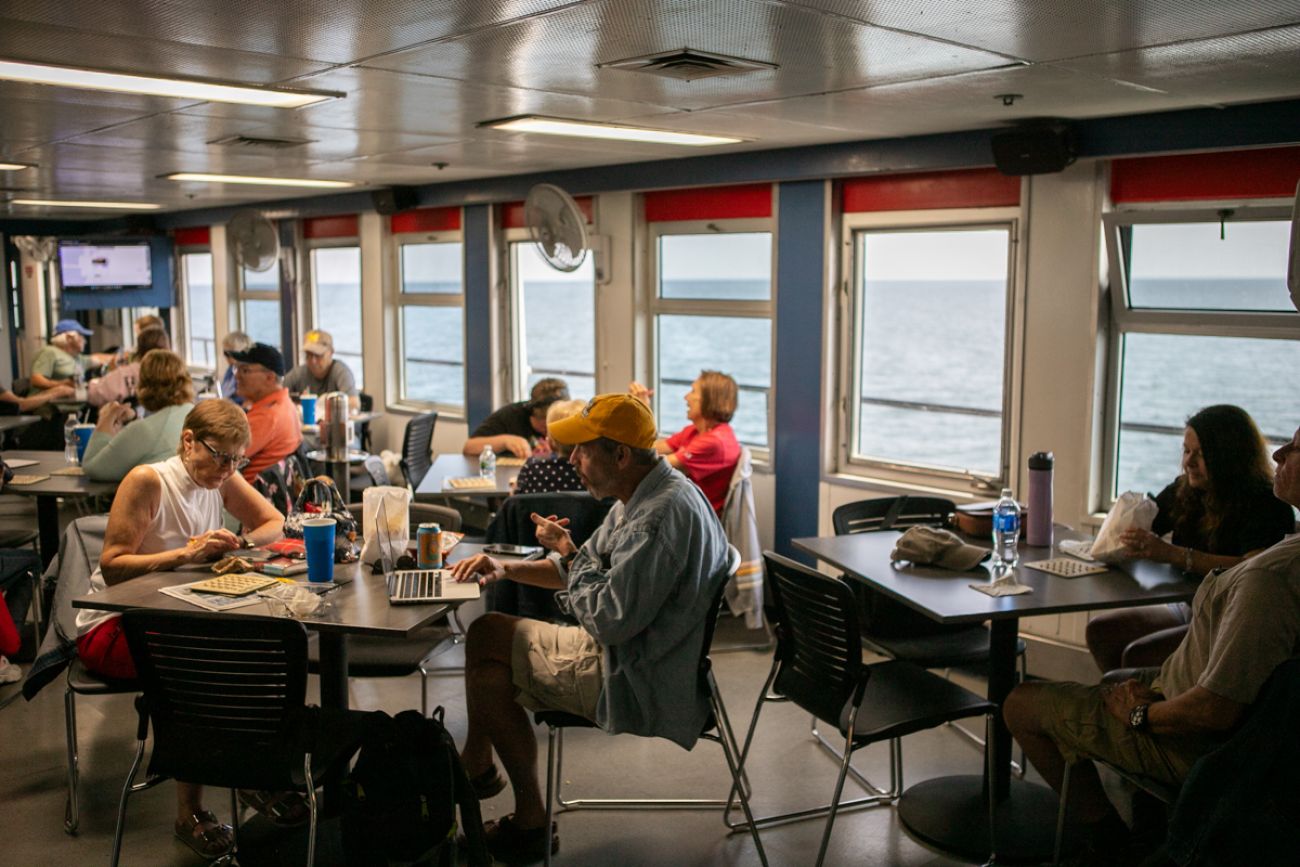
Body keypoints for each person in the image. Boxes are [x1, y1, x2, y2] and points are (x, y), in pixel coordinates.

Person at [1003, 421, 1300, 866]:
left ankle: (1109, 845)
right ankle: (1152, 828)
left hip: (1196, 738)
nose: (1279, 455)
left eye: (1296, 449)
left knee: (1019, 704)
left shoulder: (1268, 578)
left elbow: (1214, 710)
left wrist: (1140, 714)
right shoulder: (1280, 552)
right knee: (1117, 671)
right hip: (1226, 722)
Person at [449, 393, 730, 863]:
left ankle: (505, 795)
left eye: (583, 450)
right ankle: (496, 786)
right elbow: (580, 567)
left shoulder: (654, 519)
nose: (572, 459)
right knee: (487, 650)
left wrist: (568, 554)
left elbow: (605, 619)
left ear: (620, 454)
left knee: (486, 653)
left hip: (638, 675)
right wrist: (505, 567)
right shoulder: (645, 493)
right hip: (638, 649)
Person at [73, 399, 284, 859]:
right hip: (113, 624)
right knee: (205, 665)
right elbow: (112, 568)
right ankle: (194, 807)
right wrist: (185, 555)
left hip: (175, 616)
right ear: (188, 441)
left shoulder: (219, 478)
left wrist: (240, 542)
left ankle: (251, 769)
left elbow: (273, 522)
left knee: (262, 651)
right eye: (219, 455)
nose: (227, 469)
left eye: (236, 460)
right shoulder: (149, 480)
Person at [1086, 404, 1294, 673]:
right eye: (1186, 451)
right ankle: (1127, 703)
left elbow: (1250, 569)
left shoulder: (1266, 504)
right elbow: (1146, 526)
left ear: (1229, 456)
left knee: (1138, 655)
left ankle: (1155, 707)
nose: (1188, 463)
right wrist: (1120, 534)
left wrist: (1174, 555)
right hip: (1189, 604)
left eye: (1201, 454)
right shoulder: (1186, 490)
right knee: (1101, 632)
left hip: (1230, 616)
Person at [630, 370, 741, 513]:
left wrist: (641, 411)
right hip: (675, 504)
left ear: (710, 399)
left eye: (693, 392)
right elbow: (650, 448)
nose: (686, 397)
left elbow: (651, 469)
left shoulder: (715, 442)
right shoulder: (695, 431)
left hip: (689, 516)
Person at [82, 350, 195, 482]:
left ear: (142, 384)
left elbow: (93, 468)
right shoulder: (195, 413)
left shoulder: (145, 430)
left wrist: (107, 418)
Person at [228, 343, 302, 482]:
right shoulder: (286, 404)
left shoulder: (267, 416)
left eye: (245, 370)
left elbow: (224, 458)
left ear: (270, 377)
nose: (237, 376)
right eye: (236, 369)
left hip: (247, 498)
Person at [463, 377, 569, 459]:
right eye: (544, 426)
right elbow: (469, 447)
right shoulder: (511, 415)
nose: (548, 432)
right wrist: (505, 441)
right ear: (532, 412)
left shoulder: (570, 417)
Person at [511, 398, 586, 495]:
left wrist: (514, 489)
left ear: (550, 441)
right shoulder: (594, 471)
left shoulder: (533, 467)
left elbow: (517, 500)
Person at [87, 325, 170, 407]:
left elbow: (95, 394)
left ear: (140, 348)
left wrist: (95, 382)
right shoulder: (173, 374)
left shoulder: (129, 372)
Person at [28, 319, 116, 391]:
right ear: (69, 338)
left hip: (74, 403)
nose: (85, 341)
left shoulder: (77, 358)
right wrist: (63, 384)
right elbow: (36, 380)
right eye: (81, 336)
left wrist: (121, 357)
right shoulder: (49, 352)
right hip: (51, 406)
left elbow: (98, 358)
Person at [282, 329, 359, 411]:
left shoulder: (341, 372)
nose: (313, 361)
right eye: (308, 355)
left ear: (331, 352)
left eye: (318, 355)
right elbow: (277, 395)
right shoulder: (298, 373)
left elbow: (354, 404)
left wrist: (321, 405)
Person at [219, 331, 251, 404]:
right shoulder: (230, 369)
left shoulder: (248, 374)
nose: (226, 357)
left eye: (230, 354)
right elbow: (223, 392)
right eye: (225, 353)